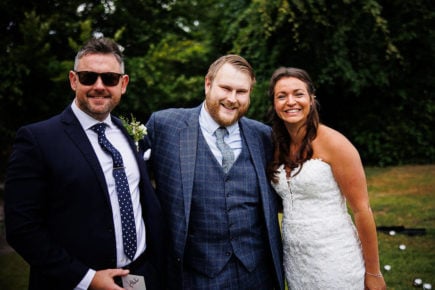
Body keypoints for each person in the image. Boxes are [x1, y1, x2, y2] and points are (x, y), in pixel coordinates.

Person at [4, 37, 165, 290]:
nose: (99, 86)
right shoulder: (37, 139)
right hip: (73, 282)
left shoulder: (129, 133)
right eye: (89, 77)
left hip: (139, 277)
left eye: (110, 79)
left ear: (123, 84)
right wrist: (87, 279)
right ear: (73, 80)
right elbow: (22, 229)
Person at [145, 54, 284, 289]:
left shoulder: (263, 136)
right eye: (225, 88)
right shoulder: (165, 126)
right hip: (195, 276)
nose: (232, 99)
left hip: (257, 275)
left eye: (241, 91)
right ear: (208, 84)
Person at [267, 67, 387, 289]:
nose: (290, 101)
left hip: (334, 256)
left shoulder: (335, 143)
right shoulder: (276, 147)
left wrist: (374, 272)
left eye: (298, 94)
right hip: (296, 261)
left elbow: (362, 210)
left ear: (312, 99)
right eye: (281, 96)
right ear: (274, 104)